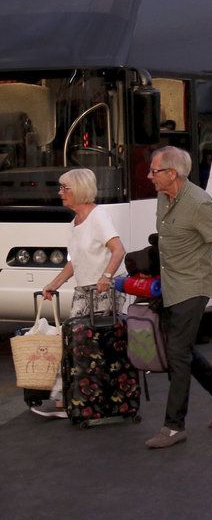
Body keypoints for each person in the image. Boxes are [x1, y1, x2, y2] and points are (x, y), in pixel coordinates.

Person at [145, 146, 212, 449]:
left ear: (172, 174)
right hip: (171, 285)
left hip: (194, 286)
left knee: (177, 353)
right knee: (180, 350)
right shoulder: (163, 197)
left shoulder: (200, 203)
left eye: (154, 171)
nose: (149, 176)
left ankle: (173, 426)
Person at [32, 168, 127, 419]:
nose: (60, 193)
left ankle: (88, 400)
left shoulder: (99, 216)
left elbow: (118, 250)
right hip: (84, 292)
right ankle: (67, 400)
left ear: (81, 189)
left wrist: (106, 277)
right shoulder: (74, 223)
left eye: (65, 188)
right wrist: (53, 284)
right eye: (60, 188)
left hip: (104, 293)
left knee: (95, 350)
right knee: (73, 346)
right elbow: (74, 263)